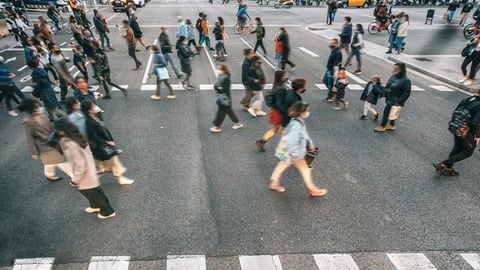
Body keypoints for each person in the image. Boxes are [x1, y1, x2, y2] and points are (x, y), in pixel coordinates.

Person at [54, 118, 116, 219]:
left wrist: (75, 180)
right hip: (89, 170)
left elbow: (80, 164)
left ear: (62, 130)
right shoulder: (77, 136)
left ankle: (107, 211)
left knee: (94, 193)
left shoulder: (70, 143)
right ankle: (95, 206)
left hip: (84, 173)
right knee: (91, 191)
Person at [270, 101, 327, 197]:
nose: (308, 112)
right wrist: (294, 156)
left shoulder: (297, 121)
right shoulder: (296, 125)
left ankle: (274, 183)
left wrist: (311, 145)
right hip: (294, 154)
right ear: (301, 112)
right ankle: (312, 189)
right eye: (307, 110)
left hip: (290, 153)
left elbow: (304, 135)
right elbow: (291, 142)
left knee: (282, 165)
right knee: (305, 170)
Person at [80, 99, 134, 185]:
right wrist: (108, 142)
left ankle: (91, 175)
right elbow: (94, 137)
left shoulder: (92, 117)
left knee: (100, 164)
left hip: (101, 146)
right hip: (101, 146)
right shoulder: (89, 122)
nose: (95, 107)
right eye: (92, 106)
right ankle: (121, 178)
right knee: (114, 162)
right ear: (89, 110)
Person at [19, 97, 72, 181]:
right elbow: (29, 137)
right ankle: (76, 178)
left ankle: (49, 174)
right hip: (43, 145)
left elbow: (50, 126)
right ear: (31, 108)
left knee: (50, 161)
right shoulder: (28, 121)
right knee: (61, 161)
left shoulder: (41, 115)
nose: (39, 107)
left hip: (52, 140)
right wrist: (33, 152)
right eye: (36, 106)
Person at [433, 91, 480, 176]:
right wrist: (477, 135)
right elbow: (476, 123)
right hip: (465, 131)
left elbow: (456, 111)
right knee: (467, 152)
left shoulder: (467, 99)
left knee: (457, 147)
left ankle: (448, 167)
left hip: (456, 126)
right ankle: (443, 164)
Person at [255, 70, 289, 152]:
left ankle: (261, 142)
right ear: (281, 77)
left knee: (276, 130)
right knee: (285, 131)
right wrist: (285, 113)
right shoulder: (280, 88)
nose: (286, 77)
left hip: (275, 111)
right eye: (285, 76)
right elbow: (279, 103)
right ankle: (284, 150)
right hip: (279, 112)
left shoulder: (276, 86)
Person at [374, 62, 411, 132]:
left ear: (401, 69)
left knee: (387, 113)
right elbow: (388, 86)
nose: (394, 70)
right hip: (390, 97)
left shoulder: (406, 80)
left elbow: (406, 93)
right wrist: (382, 94)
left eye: (396, 68)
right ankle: (392, 125)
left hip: (396, 100)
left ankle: (382, 126)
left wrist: (399, 102)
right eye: (394, 68)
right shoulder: (393, 76)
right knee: (392, 113)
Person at [210, 64, 244, 132]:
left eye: (219, 69)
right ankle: (237, 123)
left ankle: (217, 126)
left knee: (221, 112)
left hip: (225, 98)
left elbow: (223, 89)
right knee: (228, 111)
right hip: (223, 98)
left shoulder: (226, 79)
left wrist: (218, 88)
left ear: (223, 70)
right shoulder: (221, 77)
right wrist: (218, 87)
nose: (218, 70)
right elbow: (216, 86)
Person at [322, 39, 342, 103]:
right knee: (325, 80)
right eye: (330, 43)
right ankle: (333, 92)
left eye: (332, 43)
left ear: (336, 44)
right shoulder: (333, 50)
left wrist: (333, 74)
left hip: (332, 70)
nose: (330, 44)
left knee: (331, 84)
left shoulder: (338, 52)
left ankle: (330, 97)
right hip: (329, 69)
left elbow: (336, 65)